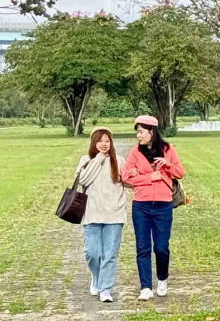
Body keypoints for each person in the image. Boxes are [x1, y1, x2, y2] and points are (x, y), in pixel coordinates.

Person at [121, 115, 184, 301]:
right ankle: (146, 287)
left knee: (161, 247)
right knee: (143, 247)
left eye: (141, 132)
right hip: (141, 205)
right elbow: (125, 177)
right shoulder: (135, 152)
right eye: (137, 132)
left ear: (152, 132)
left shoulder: (168, 150)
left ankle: (162, 279)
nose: (138, 136)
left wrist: (168, 166)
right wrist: (148, 178)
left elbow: (180, 172)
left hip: (163, 205)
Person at [74, 127, 127, 303]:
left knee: (110, 254)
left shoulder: (119, 160)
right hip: (92, 213)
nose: (104, 144)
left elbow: (128, 181)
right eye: (100, 141)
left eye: (107, 141)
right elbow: (83, 180)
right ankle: (96, 277)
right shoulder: (86, 160)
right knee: (92, 252)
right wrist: (97, 160)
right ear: (93, 143)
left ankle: (105, 288)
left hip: (114, 214)